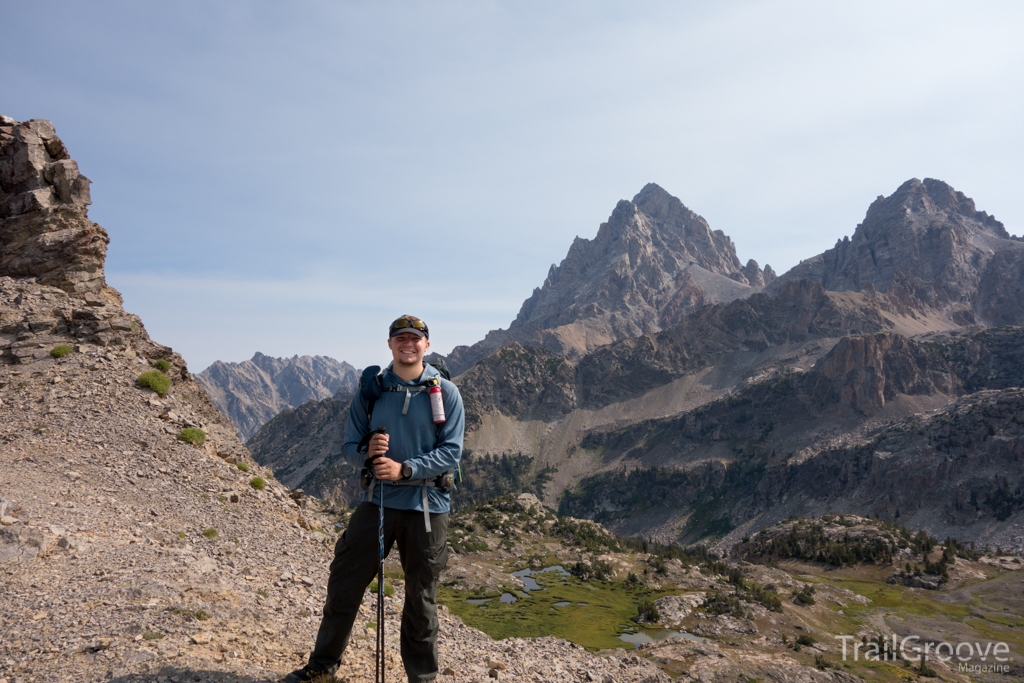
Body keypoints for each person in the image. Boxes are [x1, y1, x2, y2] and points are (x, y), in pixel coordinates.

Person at [285, 315, 465, 683]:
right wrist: (367, 452)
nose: (408, 343)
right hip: (377, 502)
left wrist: (406, 469)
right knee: (344, 584)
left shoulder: (445, 393)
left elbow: (452, 453)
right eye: (401, 338)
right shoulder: (372, 391)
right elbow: (349, 448)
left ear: (426, 346)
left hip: (427, 507)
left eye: (415, 338)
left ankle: (423, 679)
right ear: (390, 344)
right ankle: (322, 667)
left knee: (421, 601)